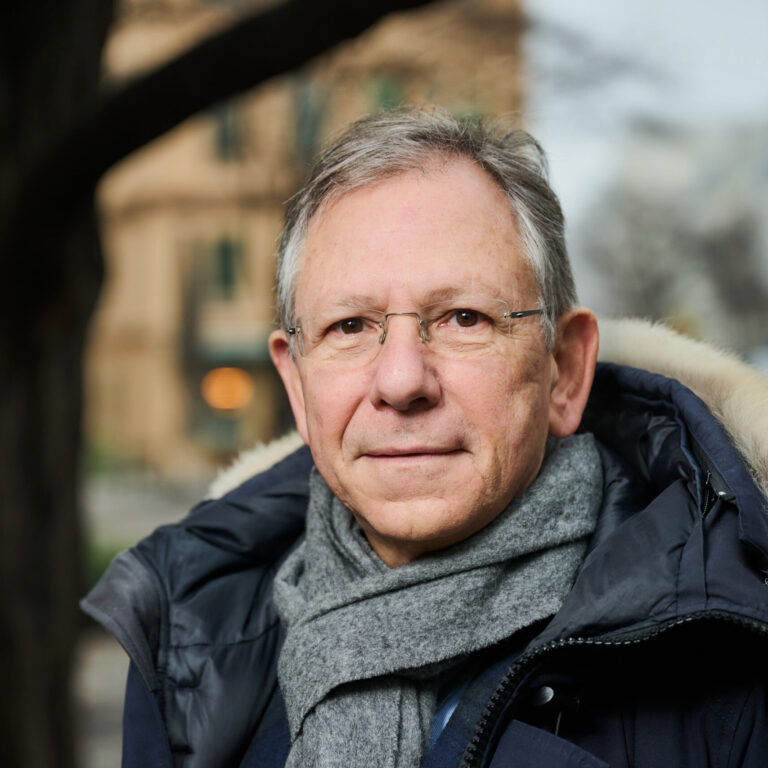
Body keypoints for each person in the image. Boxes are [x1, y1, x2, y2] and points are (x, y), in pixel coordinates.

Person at [83, 108, 768, 768]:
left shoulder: (732, 660)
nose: (402, 380)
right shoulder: (187, 641)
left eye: (464, 318)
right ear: (296, 384)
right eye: (350, 326)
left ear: (563, 370)